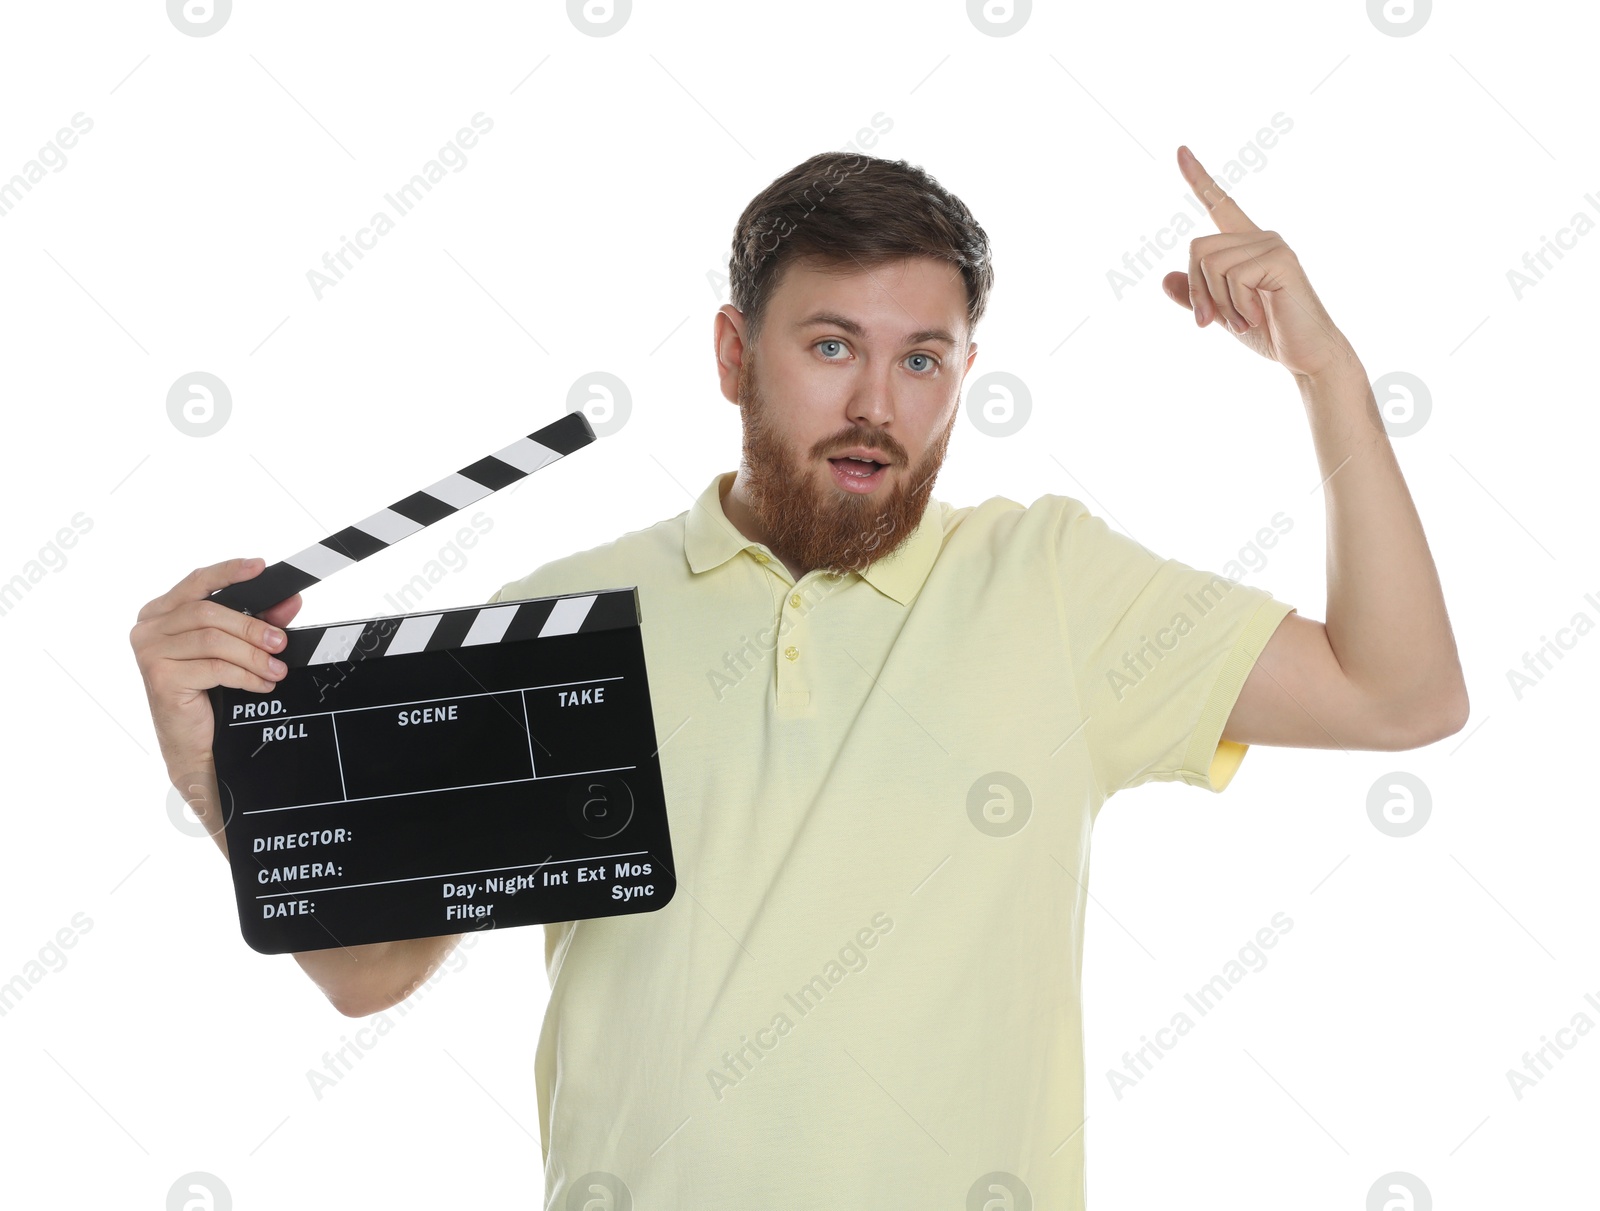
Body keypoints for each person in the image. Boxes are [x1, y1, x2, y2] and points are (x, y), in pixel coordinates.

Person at [130, 147, 1467, 1208]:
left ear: (963, 376)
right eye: (832, 346)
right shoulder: (562, 624)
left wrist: (1329, 375)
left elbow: (1399, 696)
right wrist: (214, 770)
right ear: (733, 354)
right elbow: (367, 970)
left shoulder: (1054, 585)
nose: (877, 402)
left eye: (921, 359)